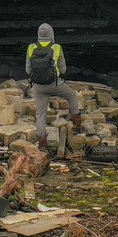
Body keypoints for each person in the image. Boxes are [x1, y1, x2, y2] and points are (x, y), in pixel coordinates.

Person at [25, 23, 82, 152]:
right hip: (55, 84)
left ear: (38, 34)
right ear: (51, 34)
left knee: (41, 113)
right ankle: (77, 126)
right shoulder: (56, 47)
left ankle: (42, 145)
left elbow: (28, 70)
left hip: (39, 87)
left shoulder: (31, 48)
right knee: (72, 95)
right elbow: (63, 69)